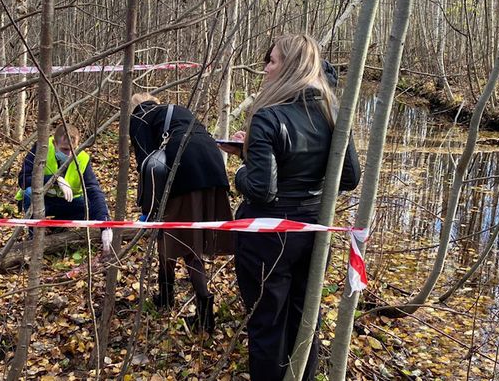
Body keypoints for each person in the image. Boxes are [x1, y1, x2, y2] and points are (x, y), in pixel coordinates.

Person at [219, 34, 360, 380]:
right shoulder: (331, 113)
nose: (266, 67)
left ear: (292, 66)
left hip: (266, 236)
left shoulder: (268, 116)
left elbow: (262, 191)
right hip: (314, 232)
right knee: (303, 320)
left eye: (273, 60)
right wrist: (256, 155)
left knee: (266, 325)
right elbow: (350, 177)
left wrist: (241, 170)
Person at [129, 92, 234, 333]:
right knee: (182, 236)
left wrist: (149, 208)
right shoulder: (176, 111)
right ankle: (167, 296)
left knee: (180, 240)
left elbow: (145, 162)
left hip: (184, 169)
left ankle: (203, 310)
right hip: (213, 165)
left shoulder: (140, 116)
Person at [16, 124, 112, 250]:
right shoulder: (42, 148)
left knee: (88, 204)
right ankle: (34, 235)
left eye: (73, 149)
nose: (69, 154)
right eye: (64, 149)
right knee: (29, 193)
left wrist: (105, 226)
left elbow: (93, 190)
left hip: (67, 202)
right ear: (55, 144)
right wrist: (55, 179)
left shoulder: (82, 158)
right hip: (42, 201)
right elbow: (23, 179)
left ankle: (57, 227)